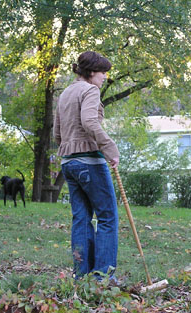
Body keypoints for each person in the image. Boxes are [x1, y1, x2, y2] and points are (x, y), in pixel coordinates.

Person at [53, 51, 120, 281]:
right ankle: (103, 278)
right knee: (107, 217)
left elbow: (57, 133)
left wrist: (69, 151)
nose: (104, 78)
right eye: (103, 73)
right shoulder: (90, 90)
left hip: (68, 163)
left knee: (81, 218)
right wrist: (109, 148)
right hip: (90, 161)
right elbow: (89, 121)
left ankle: (81, 277)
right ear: (91, 72)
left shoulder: (65, 93)